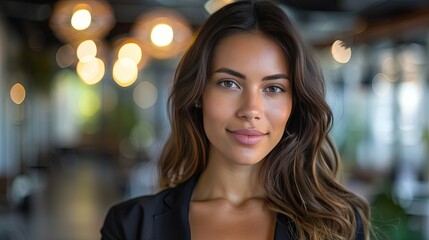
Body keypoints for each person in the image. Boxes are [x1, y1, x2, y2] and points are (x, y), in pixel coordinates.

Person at [100, 1, 370, 239]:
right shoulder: (131, 226)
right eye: (229, 83)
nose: (251, 109)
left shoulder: (338, 224)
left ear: (294, 104)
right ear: (198, 93)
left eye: (273, 88)